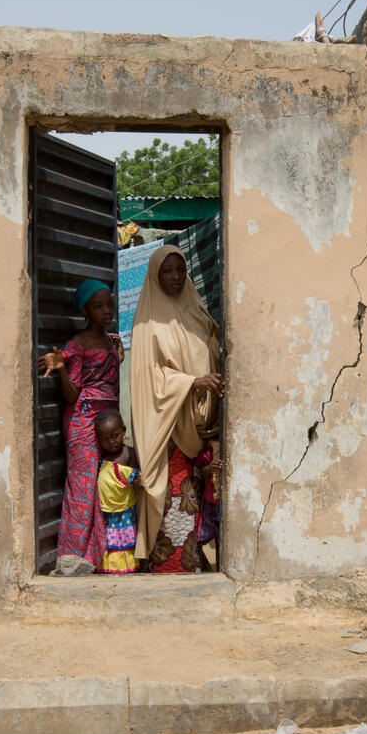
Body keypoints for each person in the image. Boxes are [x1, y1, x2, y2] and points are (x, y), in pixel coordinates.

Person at [130, 245, 224, 573]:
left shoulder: (198, 312)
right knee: (176, 507)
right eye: (167, 271)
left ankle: (202, 568)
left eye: (180, 270)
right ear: (156, 276)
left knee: (207, 505)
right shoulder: (148, 325)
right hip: (171, 430)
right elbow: (150, 379)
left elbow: (214, 347)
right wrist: (192, 382)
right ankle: (172, 574)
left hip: (204, 430)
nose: (175, 277)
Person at [37, 279, 122, 576]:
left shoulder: (112, 342)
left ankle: (95, 556)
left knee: (101, 485)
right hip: (83, 422)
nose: (106, 311)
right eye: (98, 306)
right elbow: (72, 395)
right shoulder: (77, 345)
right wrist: (61, 371)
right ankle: (71, 558)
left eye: (109, 304)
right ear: (85, 309)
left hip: (106, 423)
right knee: (82, 488)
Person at [94, 409, 140, 575]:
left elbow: (136, 479)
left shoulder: (129, 453)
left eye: (115, 435)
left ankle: (127, 569)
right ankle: (108, 568)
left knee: (124, 542)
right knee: (110, 541)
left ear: (124, 431)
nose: (111, 442)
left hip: (124, 511)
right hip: (106, 511)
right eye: (105, 439)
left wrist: (138, 481)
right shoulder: (100, 456)